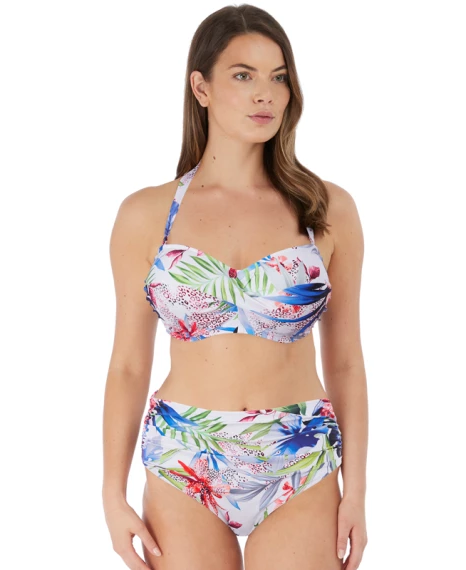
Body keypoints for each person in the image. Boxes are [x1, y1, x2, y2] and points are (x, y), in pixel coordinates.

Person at [102, 4, 368, 570]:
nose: (265, 94)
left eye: (279, 77)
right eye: (243, 75)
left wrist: (358, 491)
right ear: (201, 87)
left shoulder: (326, 210)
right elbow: (127, 364)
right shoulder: (147, 215)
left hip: (299, 454)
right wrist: (111, 493)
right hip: (185, 455)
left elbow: (346, 361)